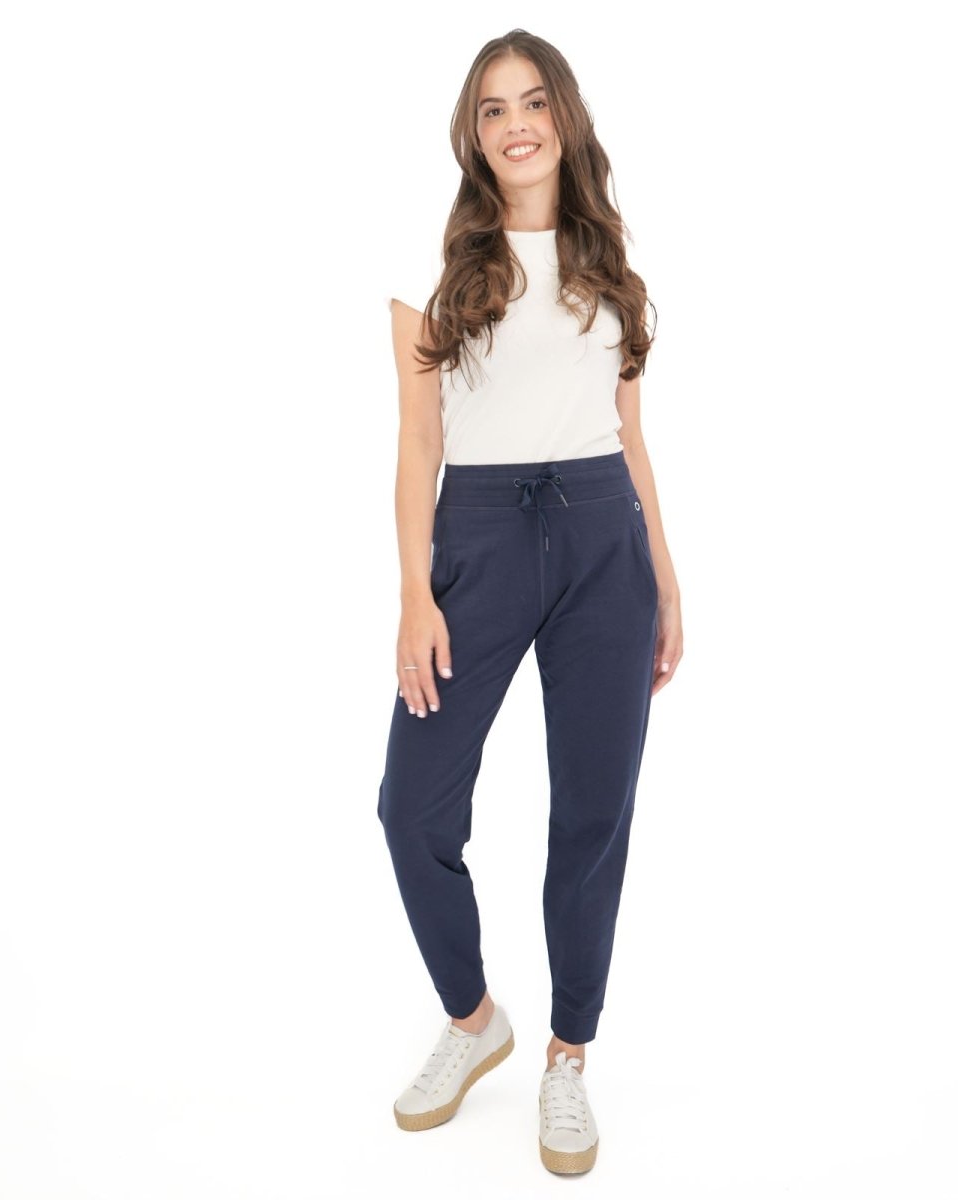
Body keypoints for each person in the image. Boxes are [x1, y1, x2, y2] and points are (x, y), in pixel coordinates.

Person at [376, 29, 683, 1175]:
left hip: (605, 536)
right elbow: (418, 443)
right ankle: (474, 1021)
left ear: (566, 118)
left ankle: (567, 1056)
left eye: (536, 101)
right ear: (473, 132)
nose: (518, 124)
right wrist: (415, 591)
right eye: (495, 107)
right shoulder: (434, 266)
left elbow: (632, 438)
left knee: (594, 811)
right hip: (480, 538)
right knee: (412, 808)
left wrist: (665, 576)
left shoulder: (612, 266)